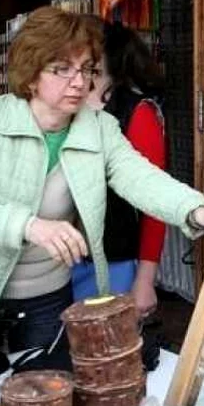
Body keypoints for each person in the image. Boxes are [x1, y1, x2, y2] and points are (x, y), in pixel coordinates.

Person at [0, 6, 204, 352]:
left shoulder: (98, 128)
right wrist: (27, 225)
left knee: (47, 397)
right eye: (62, 69)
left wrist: (203, 212)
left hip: (47, 300)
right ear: (32, 74)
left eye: (86, 69)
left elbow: (144, 179)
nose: (80, 82)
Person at [73, 20, 166, 317]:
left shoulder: (138, 113)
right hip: (60, 263)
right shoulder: (67, 107)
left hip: (115, 263)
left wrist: (145, 280)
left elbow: (155, 204)